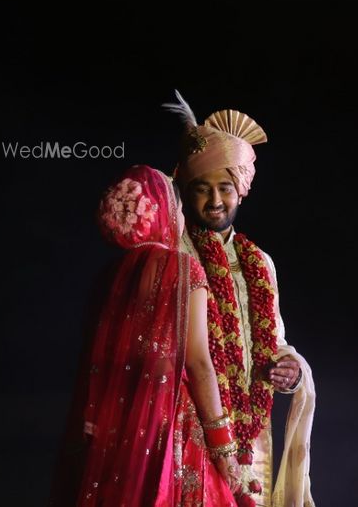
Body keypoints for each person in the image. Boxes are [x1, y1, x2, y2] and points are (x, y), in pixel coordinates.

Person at [165, 92, 315, 507]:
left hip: (253, 431)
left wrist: (293, 372)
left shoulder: (260, 262)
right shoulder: (173, 255)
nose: (215, 201)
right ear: (185, 191)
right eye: (202, 189)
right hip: (188, 431)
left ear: (241, 189)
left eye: (225, 188)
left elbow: (275, 338)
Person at [66, 164, 241, 505]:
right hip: (171, 429)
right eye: (176, 206)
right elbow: (199, 362)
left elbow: (99, 361)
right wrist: (223, 446)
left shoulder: (111, 277)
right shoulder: (181, 267)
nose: (180, 214)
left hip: (119, 429)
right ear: (161, 212)